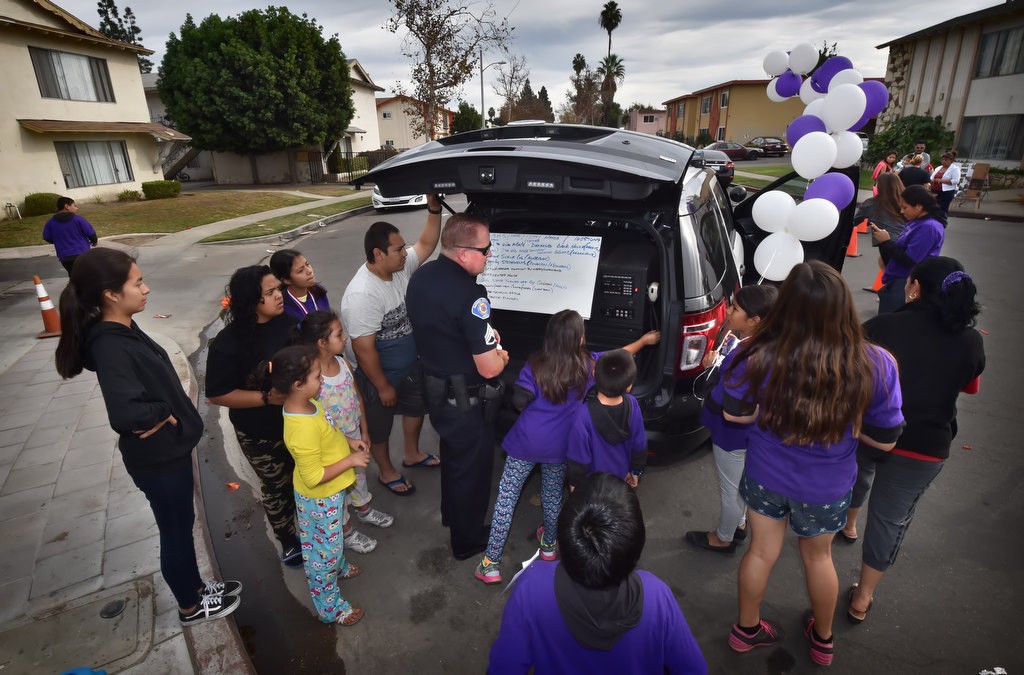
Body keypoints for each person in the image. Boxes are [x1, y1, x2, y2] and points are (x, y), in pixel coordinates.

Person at [721, 261, 904, 668]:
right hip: (827, 484)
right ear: (843, 307)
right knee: (819, 558)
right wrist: (851, 427)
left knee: (760, 552)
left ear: (785, 306)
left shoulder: (759, 354)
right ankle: (823, 641)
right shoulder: (876, 363)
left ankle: (745, 631)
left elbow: (736, 415)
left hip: (767, 473)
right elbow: (886, 439)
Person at [55, 248, 242, 626]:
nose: (146, 288)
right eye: (137, 282)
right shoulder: (110, 345)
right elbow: (125, 413)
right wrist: (165, 413)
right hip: (157, 460)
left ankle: (196, 587)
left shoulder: (124, 327)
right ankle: (190, 607)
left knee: (182, 523)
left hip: (167, 452)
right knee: (175, 531)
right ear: (110, 293)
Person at [841, 257, 984, 625]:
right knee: (890, 519)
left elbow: (847, 374)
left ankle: (849, 523)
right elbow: (969, 386)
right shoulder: (970, 340)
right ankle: (863, 598)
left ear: (915, 287)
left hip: (868, 432)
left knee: (857, 478)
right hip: (924, 446)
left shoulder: (883, 326)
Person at [475, 310, 659, 584]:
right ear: (580, 339)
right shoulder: (589, 364)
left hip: (526, 443)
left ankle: (490, 564)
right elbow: (618, 356)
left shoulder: (536, 364)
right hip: (561, 447)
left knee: (506, 499)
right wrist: (643, 341)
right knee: (552, 497)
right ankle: (549, 548)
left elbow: (520, 400)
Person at [488, 473, 708, 674]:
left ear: (564, 539)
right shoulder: (656, 596)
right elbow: (693, 669)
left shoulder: (533, 588)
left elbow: (504, 667)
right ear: (636, 547)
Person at [406, 212, 510, 560]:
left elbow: (441, 329)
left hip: (437, 393)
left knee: (454, 460)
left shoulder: (421, 278)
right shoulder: (471, 294)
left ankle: (454, 518)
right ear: (464, 252)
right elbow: (489, 366)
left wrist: (478, 337)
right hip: (466, 402)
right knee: (473, 470)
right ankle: (466, 542)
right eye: (485, 249)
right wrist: (501, 355)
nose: (489, 255)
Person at [255, 345, 371, 626]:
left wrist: (348, 441)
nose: (322, 381)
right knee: (323, 556)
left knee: (330, 544)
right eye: (317, 377)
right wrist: (351, 460)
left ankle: (339, 566)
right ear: (297, 385)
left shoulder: (309, 404)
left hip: (331, 493)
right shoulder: (300, 427)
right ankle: (330, 609)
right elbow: (313, 476)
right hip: (320, 498)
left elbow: (329, 432)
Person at [340, 196, 443, 497]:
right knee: (379, 427)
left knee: (416, 408)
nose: (404, 254)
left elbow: (426, 243)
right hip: (378, 374)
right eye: (398, 249)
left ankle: (411, 454)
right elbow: (363, 348)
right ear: (378, 253)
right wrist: (382, 386)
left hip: (410, 366)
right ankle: (386, 472)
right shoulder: (362, 295)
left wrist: (434, 208)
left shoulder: (398, 268)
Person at [206, 265, 303, 566]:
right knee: (277, 486)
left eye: (279, 289)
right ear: (251, 300)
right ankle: (288, 539)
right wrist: (265, 398)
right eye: (271, 292)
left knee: (306, 477)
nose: (279, 296)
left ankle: (314, 523)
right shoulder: (229, 342)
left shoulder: (288, 322)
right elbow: (217, 394)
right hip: (260, 432)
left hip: (300, 421)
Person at [685, 284, 778, 554]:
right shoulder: (773, 347)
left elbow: (723, 403)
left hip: (731, 435)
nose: (727, 311)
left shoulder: (744, 356)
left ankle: (723, 537)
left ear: (755, 320)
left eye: (736, 308)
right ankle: (738, 524)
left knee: (731, 489)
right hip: (755, 435)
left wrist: (709, 370)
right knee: (741, 481)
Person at [292, 310, 394, 554]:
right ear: (322, 342)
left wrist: (364, 431)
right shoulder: (312, 379)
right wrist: (346, 442)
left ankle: (364, 510)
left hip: (355, 438)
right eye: (339, 334)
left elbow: (357, 397)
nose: (345, 338)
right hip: (332, 449)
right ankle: (346, 531)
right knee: (337, 490)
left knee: (358, 477)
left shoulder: (343, 363)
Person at [565, 350, 647, 490]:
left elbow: (578, 458)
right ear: (629, 386)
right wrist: (635, 471)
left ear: (594, 375)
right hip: (620, 481)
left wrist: (574, 487)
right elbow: (639, 443)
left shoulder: (582, 415)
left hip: (591, 487)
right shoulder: (633, 405)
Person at [871, 185, 946, 314]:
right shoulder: (918, 221)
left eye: (905, 207)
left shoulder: (929, 227)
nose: (901, 211)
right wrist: (885, 244)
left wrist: (887, 242)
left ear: (919, 206)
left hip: (907, 282)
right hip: (899, 279)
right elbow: (899, 252)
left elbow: (909, 259)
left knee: (892, 323)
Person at [270, 249, 331, 320]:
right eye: (300, 270)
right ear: (287, 280)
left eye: (307, 264)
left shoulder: (319, 292)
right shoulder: (283, 307)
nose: (309, 271)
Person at [42, 196, 97, 274]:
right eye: (74, 205)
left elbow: (46, 237)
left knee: (73, 276)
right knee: (88, 276)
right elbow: (90, 233)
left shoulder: (50, 222)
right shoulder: (78, 219)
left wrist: (58, 241)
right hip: (82, 254)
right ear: (66, 206)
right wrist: (94, 242)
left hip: (65, 256)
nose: (76, 208)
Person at [930, 152, 961, 217]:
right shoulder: (938, 168)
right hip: (935, 191)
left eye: (946, 160)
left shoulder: (955, 169)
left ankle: (942, 223)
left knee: (942, 209)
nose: (943, 161)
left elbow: (956, 181)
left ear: (951, 161)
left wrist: (941, 181)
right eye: (942, 159)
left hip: (946, 192)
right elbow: (932, 177)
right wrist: (932, 180)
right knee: (933, 209)